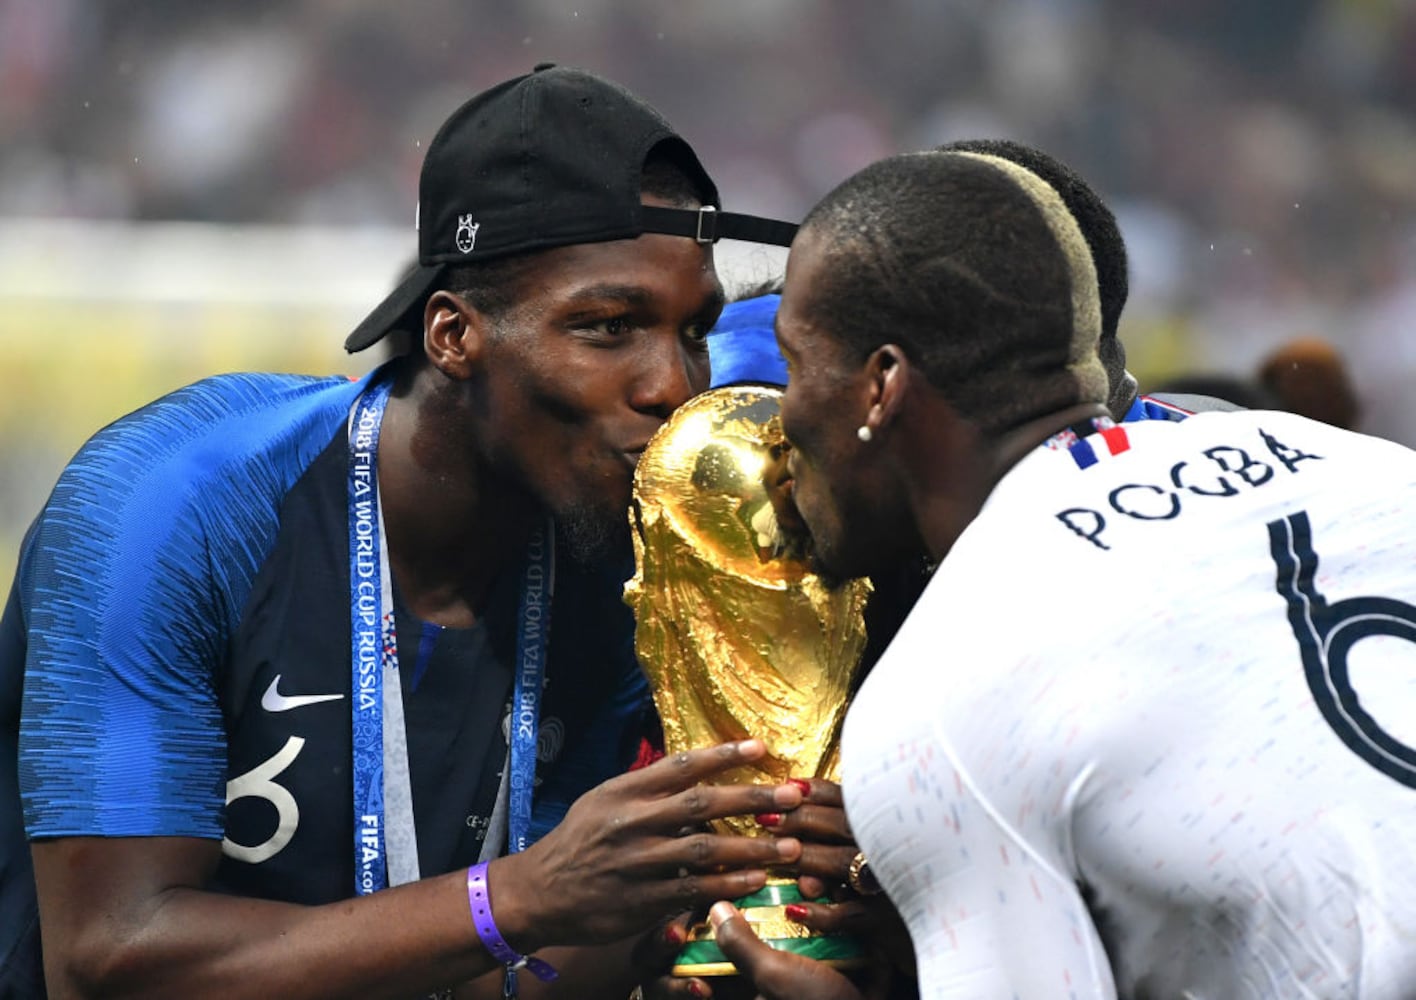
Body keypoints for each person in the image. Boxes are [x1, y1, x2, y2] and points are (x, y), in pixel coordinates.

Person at [0, 64, 809, 1000]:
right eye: (606, 327)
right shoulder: (178, 505)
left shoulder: (627, 547)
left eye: (692, 331)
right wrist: (514, 900)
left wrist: (679, 926)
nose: (670, 386)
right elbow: (106, 961)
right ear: (452, 336)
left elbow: (511, 969)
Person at [734, 147, 1416, 997]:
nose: (780, 416)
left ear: (881, 386)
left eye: (795, 365)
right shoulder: (1366, 466)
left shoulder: (941, 691)